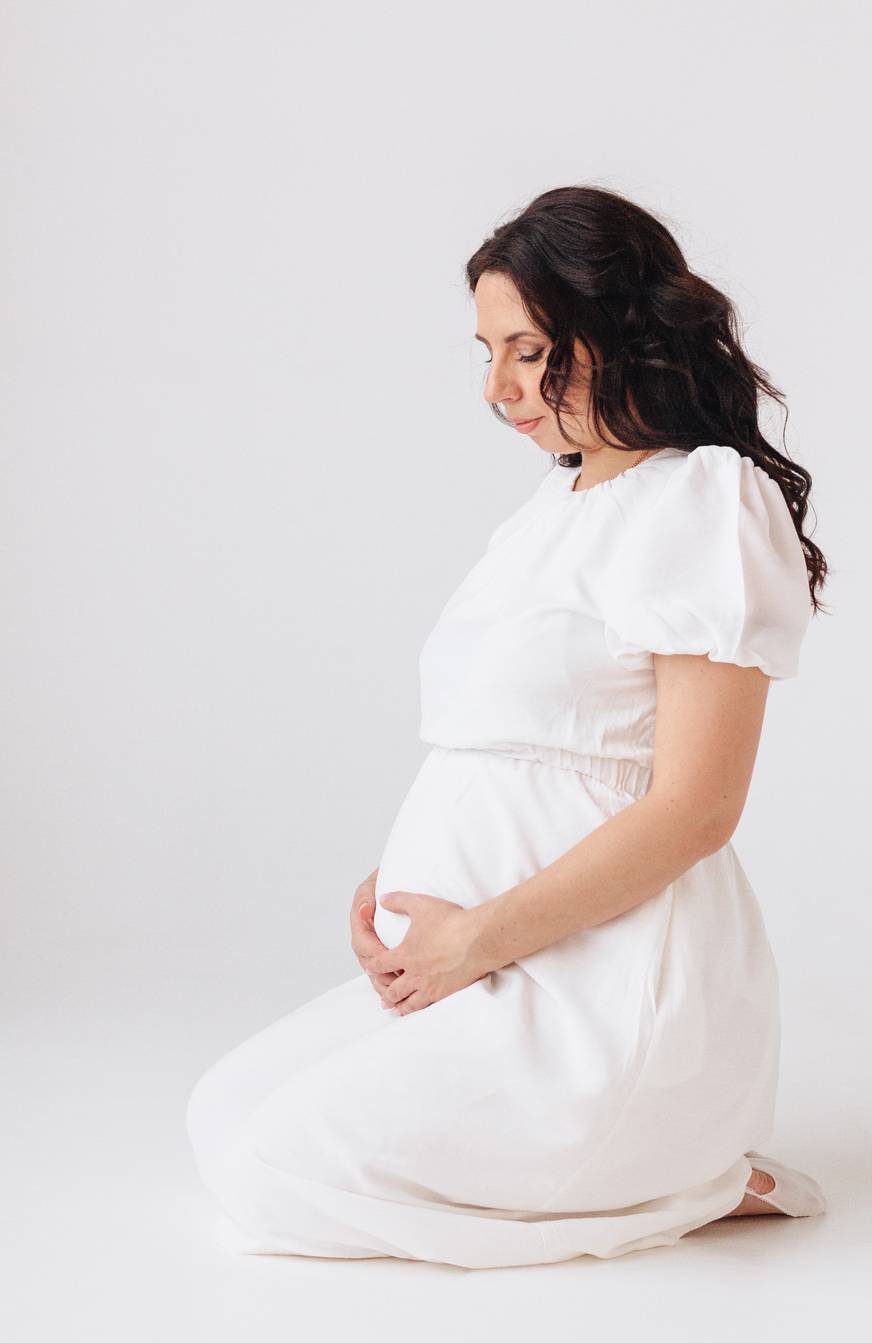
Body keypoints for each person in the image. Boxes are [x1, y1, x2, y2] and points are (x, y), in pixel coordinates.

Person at [186, 184, 831, 1268]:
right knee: (220, 1112)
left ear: (624, 329)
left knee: (269, 1175)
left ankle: (687, 1168)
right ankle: (651, 1169)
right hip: (476, 966)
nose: (497, 389)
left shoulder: (700, 500)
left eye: (528, 351)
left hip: (601, 988)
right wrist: (407, 906)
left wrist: (472, 939)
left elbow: (697, 809)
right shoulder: (552, 508)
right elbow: (499, 753)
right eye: (486, 354)